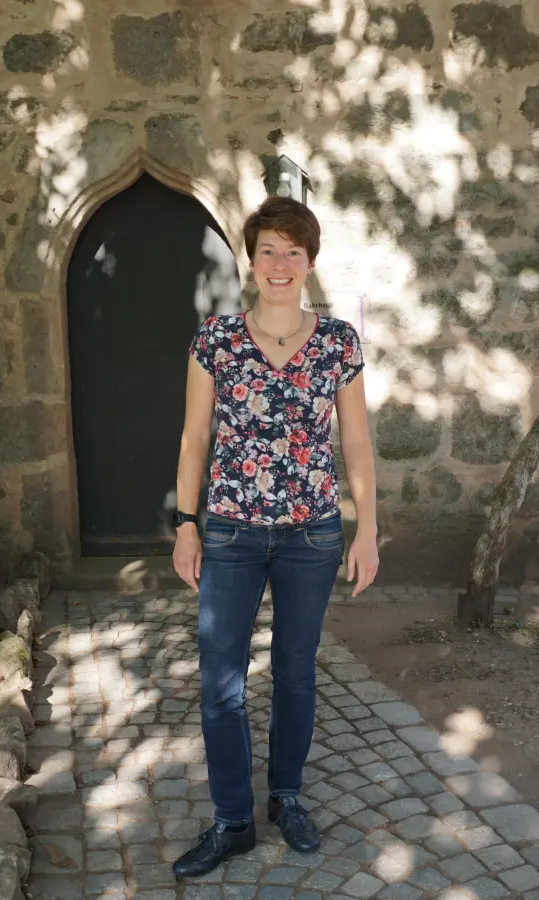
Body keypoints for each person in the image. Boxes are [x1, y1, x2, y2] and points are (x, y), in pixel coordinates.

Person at [170, 196, 379, 877]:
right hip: (230, 531)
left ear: (310, 261)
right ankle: (232, 820)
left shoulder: (339, 342)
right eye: (268, 251)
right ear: (251, 261)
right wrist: (186, 524)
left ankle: (286, 796)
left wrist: (367, 530)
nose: (280, 263)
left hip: (312, 535)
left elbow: (355, 441)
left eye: (293, 251)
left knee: (295, 671)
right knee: (220, 682)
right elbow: (195, 437)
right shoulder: (217, 340)